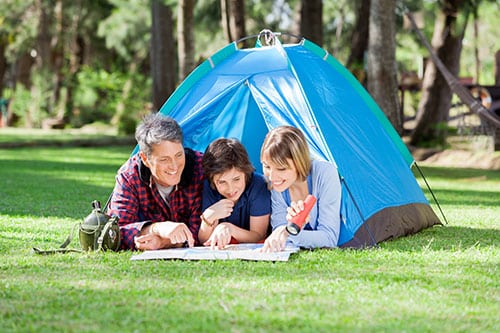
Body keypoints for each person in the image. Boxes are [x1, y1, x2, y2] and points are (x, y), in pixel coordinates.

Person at [107, 113, 204, 250]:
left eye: (179, 155)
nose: (174, 166)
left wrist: (162, 243)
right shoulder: (129, 176)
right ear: (145, 159)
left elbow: (201, 232)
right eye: (164, 159)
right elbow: (115, 231)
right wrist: (156, 228)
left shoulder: (201, 169)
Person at [260, 125, 341, 252]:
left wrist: (290, 232)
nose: (272, 176)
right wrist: (288, 230)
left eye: (281, 169)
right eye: (267, 166)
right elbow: (279, 231)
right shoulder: (277, 184)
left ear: (299, 163)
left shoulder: (325, 173)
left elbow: (329, 238)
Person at [199, 138, 271, 249]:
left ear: (245, 173)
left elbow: (259, 236)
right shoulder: (210, 188)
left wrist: (229, 228)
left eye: (236, 179)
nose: (230, 189)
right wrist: (208, 217)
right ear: (212, 180)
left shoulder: (258, 185)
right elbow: (204, 240)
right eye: (222, 182)